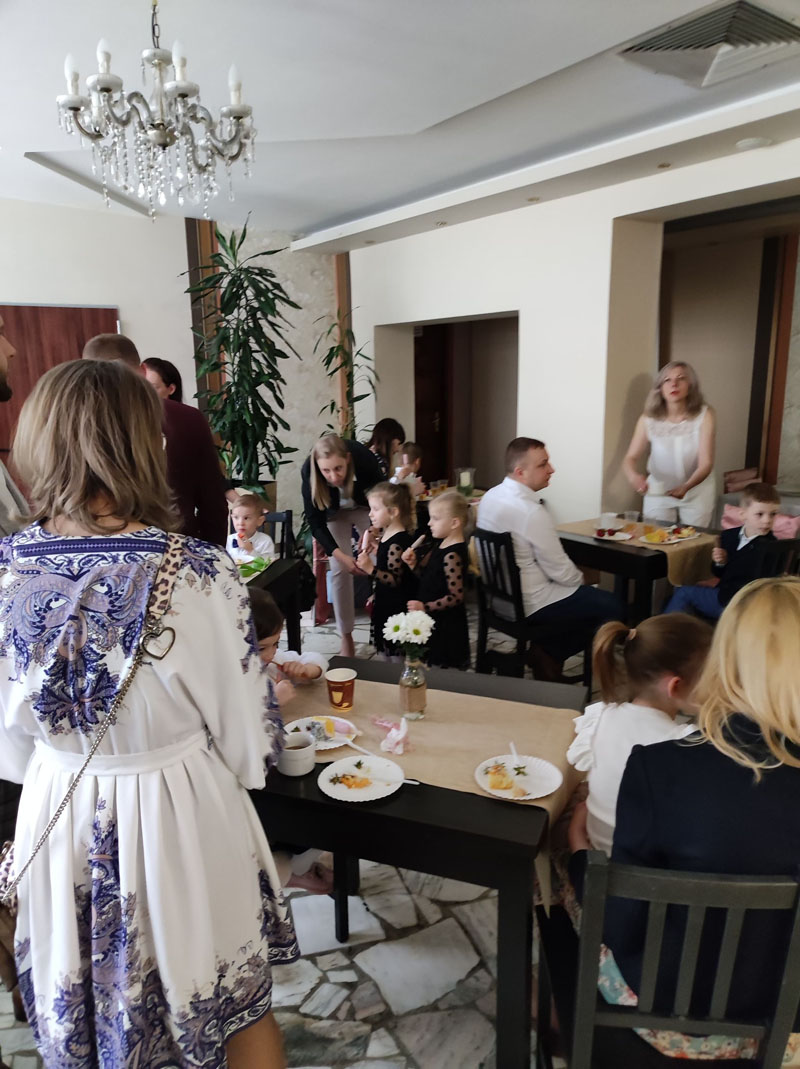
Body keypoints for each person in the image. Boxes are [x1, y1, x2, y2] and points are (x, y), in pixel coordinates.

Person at [0, 359, 296, 1069]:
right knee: (231, 1008)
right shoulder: (200, 570)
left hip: (59, 807)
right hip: (179, 812)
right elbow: (251, 746)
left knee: (91, 1014)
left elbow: (10, 747)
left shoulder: (6, 567)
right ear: (142, 443)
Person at [571, 576, 800, 1061]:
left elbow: (621, 921)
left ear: (726, 659)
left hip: (667, 1013)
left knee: (568, 908)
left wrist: (577, 856)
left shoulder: (660, 769)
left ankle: (552, 1018)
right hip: (784, 1031)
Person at [477, 437, 624, 680]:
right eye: (543, 464)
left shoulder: (491, 496)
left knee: (588, 601)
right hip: (531, 604)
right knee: (613, 606)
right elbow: (560, 571)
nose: (551, 469)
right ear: (520, 472)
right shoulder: (531, 512)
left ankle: (546, 653)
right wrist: (583, 580)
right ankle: (549, 654)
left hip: (498, 599)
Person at [567, 614, 712, 856]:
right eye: (712, 678)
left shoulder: (602, 715)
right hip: (637, 867)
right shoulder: (684, 743)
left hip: (598, 845)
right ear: (675, 686)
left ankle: (577, 839)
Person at [82, 333, 228, 546]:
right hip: (175, 545)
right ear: (143, 370)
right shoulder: (186, 418)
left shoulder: (76, 424)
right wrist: (214, 556)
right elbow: (212, 503)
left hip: (99, 547)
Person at [301, 433, 383, 656]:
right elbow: (315, 523)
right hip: (334, 513)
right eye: (326, 471)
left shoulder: (364, 458)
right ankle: (346, 636)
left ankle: (385, 624)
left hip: (365, 508)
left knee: (381, 558)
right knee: (339, 569)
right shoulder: (309, 471)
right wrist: (341, 556)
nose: (333, 476)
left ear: (347, 459)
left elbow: (383, 497)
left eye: (338, 468)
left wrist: (373, 531)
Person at [664, 481, 780, 619]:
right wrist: (720, 562)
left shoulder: (772, 545)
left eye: (773, 514)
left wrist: (729, 562)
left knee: (684, 593)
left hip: (741, 604)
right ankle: (691, 629)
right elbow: (718, 572)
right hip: (726, 596)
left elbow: (762, 581)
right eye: (760, 514)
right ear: (742, 514)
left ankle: (666, 629)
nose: (767, 520)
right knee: (679, 593)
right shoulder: (729, 536)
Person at [623, 361, 716, 527]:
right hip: (658, 491)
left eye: (681, 378)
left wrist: (686, 487)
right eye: (667, 380)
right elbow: (630, 457)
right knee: (656, 537)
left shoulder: (705, 415)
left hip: (697, 491)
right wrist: (633, 477)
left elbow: (706, 463)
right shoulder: (647, 419)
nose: (674, 384)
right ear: (660, 387)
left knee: (694, 539)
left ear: (690, 385)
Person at [403, 489, 471, 669]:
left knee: (443, 667)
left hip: (446, 624)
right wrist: (413, 565)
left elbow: (456, 596)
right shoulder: (441, 544)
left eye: (435, 518)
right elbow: (431, 579)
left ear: (454, 522)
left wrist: (424, 607)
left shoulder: (452, 555)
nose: (429, 523)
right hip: (434, 618)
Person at [357, 482, 414, 658]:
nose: (370, 514)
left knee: (395, 652)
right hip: (385, 600)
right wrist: (378, 550)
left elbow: (395, 579)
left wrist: (370, 569)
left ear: (393, 512)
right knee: (385, 650)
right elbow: (389, 564)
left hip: (395, 606)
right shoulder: (388, 535)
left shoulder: (397, 542)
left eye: (375, 509)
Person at [249, 588, 328, 706]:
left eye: (275, 644)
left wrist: (308, 670)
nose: (271, 655)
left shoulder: (277, 661)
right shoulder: (234, 681)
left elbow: (319, 659)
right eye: (261, 649)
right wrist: (273, 701)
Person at [227, 493, 276, 565]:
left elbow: (267, 564)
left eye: (246, 518)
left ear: (259, 521)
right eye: (236, 517)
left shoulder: (265, 541)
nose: (240, 523)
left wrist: (250, 550)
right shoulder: (228, 540)